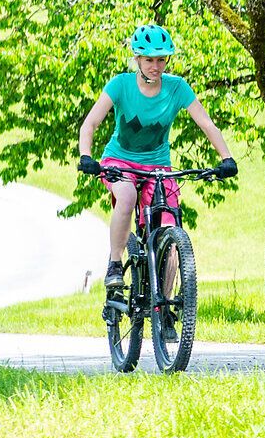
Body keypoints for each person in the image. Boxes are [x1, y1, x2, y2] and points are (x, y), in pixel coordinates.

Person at [76, 24, 237, 298]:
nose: (156, 65)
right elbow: (89, 124)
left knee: (172, 227)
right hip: (120, 160)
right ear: (137, 59)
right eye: (149, 59)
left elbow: (207, 124)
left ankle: (164, 307)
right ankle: (115, 264)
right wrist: (86, 156)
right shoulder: (121, 85)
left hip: (158, 165)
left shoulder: (177, 88)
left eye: (161, 59)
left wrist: (227, 158)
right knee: (126, 197)